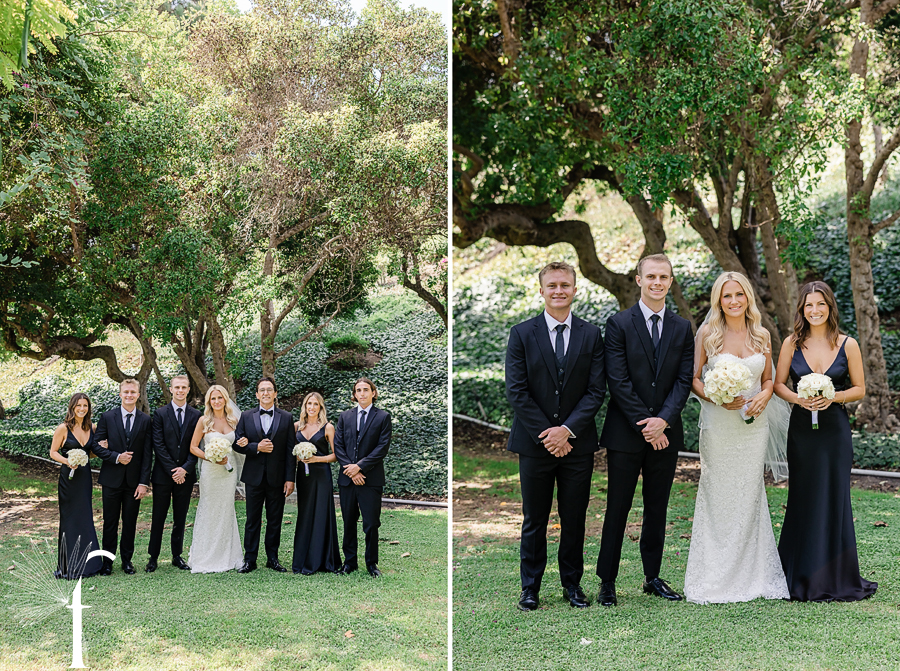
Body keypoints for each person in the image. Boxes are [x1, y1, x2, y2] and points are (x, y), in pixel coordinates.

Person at [504, 261, 606, 611]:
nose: (559, 290)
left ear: (575, 289)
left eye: (565, 285)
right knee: (535, 517)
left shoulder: (591, 335)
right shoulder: (521, 333)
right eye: (552, 285)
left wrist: (567, 430)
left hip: (578, 443)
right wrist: (548, 433)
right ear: (542, 290)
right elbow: (517, 391)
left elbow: (596, 391)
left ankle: (572, 585)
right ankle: (530, 587)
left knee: (574, 516)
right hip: (534, 444)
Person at [683, 272, 789, 603]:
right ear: (719, 300)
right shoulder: (708, 334)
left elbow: (769, 379)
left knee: (750, 493)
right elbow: (694, 378)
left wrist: (764, 396)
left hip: (753, 427)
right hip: (719, 425)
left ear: (747, 298)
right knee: (717, 492)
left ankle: (753, 575)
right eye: (726, 296)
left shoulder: (761, 335)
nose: (733, 301)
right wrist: (716, 397)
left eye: (738, 295)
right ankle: (714, 576)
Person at [595, 254, 694, 606]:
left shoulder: (682, 328)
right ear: (638, 280)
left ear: (670, 281)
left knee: (657, 508)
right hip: (625, 434)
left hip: (666, 434)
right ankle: (607, 580)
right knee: (617, 508)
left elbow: (684, 381)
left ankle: (652, 577)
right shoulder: (619, 323)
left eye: (663, 277)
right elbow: (617, 381)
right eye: (650, 276)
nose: (657, 282)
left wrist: (663, 421)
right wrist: (648, 425)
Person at [774, 280, 877, 601]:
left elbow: (860, 388)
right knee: (803, 496)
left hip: (834, 432)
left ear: (830, 307)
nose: (815, 310)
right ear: (801, 310)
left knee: (834, 498)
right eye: (809, 305)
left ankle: (835, 576)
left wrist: (833, 396)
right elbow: (778, 384)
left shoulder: (848, 344)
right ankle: (798, 574)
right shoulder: (791, 343)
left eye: (821, 304)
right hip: (802, 432)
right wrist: (798, 399)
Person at [233, 377, 295, 573]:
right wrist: (256, 447)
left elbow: (290, 450)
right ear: (257, 394)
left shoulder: (286, 417)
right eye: (262, 390)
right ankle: (250, 559)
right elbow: (237, 443)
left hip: (277, 478)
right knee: (252, 519)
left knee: (274, 519)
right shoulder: (246, 416)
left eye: (270, 390)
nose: (266, 393)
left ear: (275, 394)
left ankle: (272, 558)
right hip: (253, 477)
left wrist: (290, 478)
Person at [92, 378, 153, 575]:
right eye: (125, 392)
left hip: (134, 482)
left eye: (133, 392)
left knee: (130, 522)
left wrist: (144, 482)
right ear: (120, 394)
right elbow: (95, 445)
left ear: (138, 395)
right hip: (111, 480)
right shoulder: (107, 417)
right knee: (110, 523)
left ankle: (127, 561)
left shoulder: (145, 420)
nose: (129, 395)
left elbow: (147, 454)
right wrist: (116, 457)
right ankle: (107, 562)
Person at [334, 377, 392, 578]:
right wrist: (351, 470)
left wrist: (360, 467)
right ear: (354, 394)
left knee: (371, 523)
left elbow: (381, 448)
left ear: (373, 393)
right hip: (347, 480)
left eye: (366, 390)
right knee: (349, 521)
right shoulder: (345, 416)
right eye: (358, 390)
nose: (362, 393)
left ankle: (371, 564)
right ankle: (349, 563)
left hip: (371, 480)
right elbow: (338, 445)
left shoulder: (383, 417)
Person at [187, 385, 248, 573]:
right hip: (211, 472)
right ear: (209, 402)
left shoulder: (234, 421)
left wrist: (244, 442)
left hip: (228, 473)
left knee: (226, 509)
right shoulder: (203, 421)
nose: (216, 402)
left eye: (219, 398)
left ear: (225, 399)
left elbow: (240, 443)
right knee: (209, 508)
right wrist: (211, 456)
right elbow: (194, 447)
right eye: (213, 399)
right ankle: (205, 555)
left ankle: (228, 554)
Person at [146, 375, 202, 572]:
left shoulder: (196, 415)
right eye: (176, 387)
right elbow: (158, 445)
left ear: (188, 390)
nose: (180, 390)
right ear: (171, 389)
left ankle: (177, 555)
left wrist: (185, 469)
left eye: (184, 387)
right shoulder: (160, 414)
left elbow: (196, 446)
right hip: (163, 475)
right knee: (158, 517)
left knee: (180, 517)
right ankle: (153, 557)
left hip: (185, 476)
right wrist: (173, 470)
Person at [48, 393, 103, 579]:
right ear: (72, 407)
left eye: (85, 405)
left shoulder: (92, 427)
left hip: (85, 478)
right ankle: (69, 566)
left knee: (85, 517)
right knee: (70, 520)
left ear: (88, 408)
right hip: (68, 480)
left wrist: (103, 447)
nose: (82, 408)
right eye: (78, 405)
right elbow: (53, 452)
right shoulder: (63, 428)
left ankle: (89, 565)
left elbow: (92, 454)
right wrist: (67, 461)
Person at [291, 392, 340, 575]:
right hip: (303, 477)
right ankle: (303, 559)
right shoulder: (296, 427)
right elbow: (291, 452)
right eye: (308, 404)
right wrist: (300, 457)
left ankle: (324, 561)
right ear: (304, 406)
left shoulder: (328, 427)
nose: (311, 407)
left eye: (315, 404)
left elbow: (336, 455)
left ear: (320, 407)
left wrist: (316, 460)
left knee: (321, 514)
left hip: (321, 475)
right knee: (305, 515)